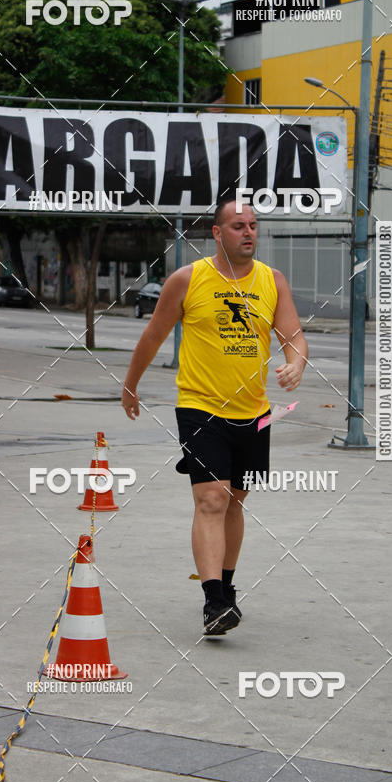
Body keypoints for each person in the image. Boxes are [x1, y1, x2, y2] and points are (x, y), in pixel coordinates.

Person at [121, 198, 308, 635]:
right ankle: (214, 602)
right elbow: (153, 335)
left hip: (255, 413)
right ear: (217, 234)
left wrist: (296, 362)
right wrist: (131, 384)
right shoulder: (187, 280)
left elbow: (294, 336)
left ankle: (226, 588)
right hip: (200, 406)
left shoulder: (272, 281)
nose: (249, 232)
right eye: (239, 225)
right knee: (211, 499)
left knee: (235, 502)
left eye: (254, 225)